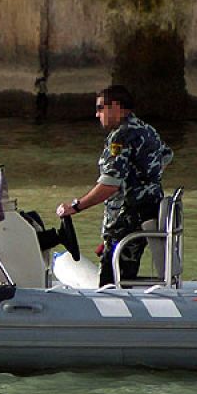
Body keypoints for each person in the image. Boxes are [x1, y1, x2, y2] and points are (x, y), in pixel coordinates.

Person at [57, 85, 173, 286]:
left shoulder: (120, 137)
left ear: (117, 107)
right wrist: (143, 181)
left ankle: (118, 315)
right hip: (148, 213)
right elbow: (166, 155)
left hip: (126, 219)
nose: (97, 114)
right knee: (126, 273)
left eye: (101, 108)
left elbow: (109, 185)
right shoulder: (147, 130)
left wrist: (75, 207)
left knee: (111, 282)